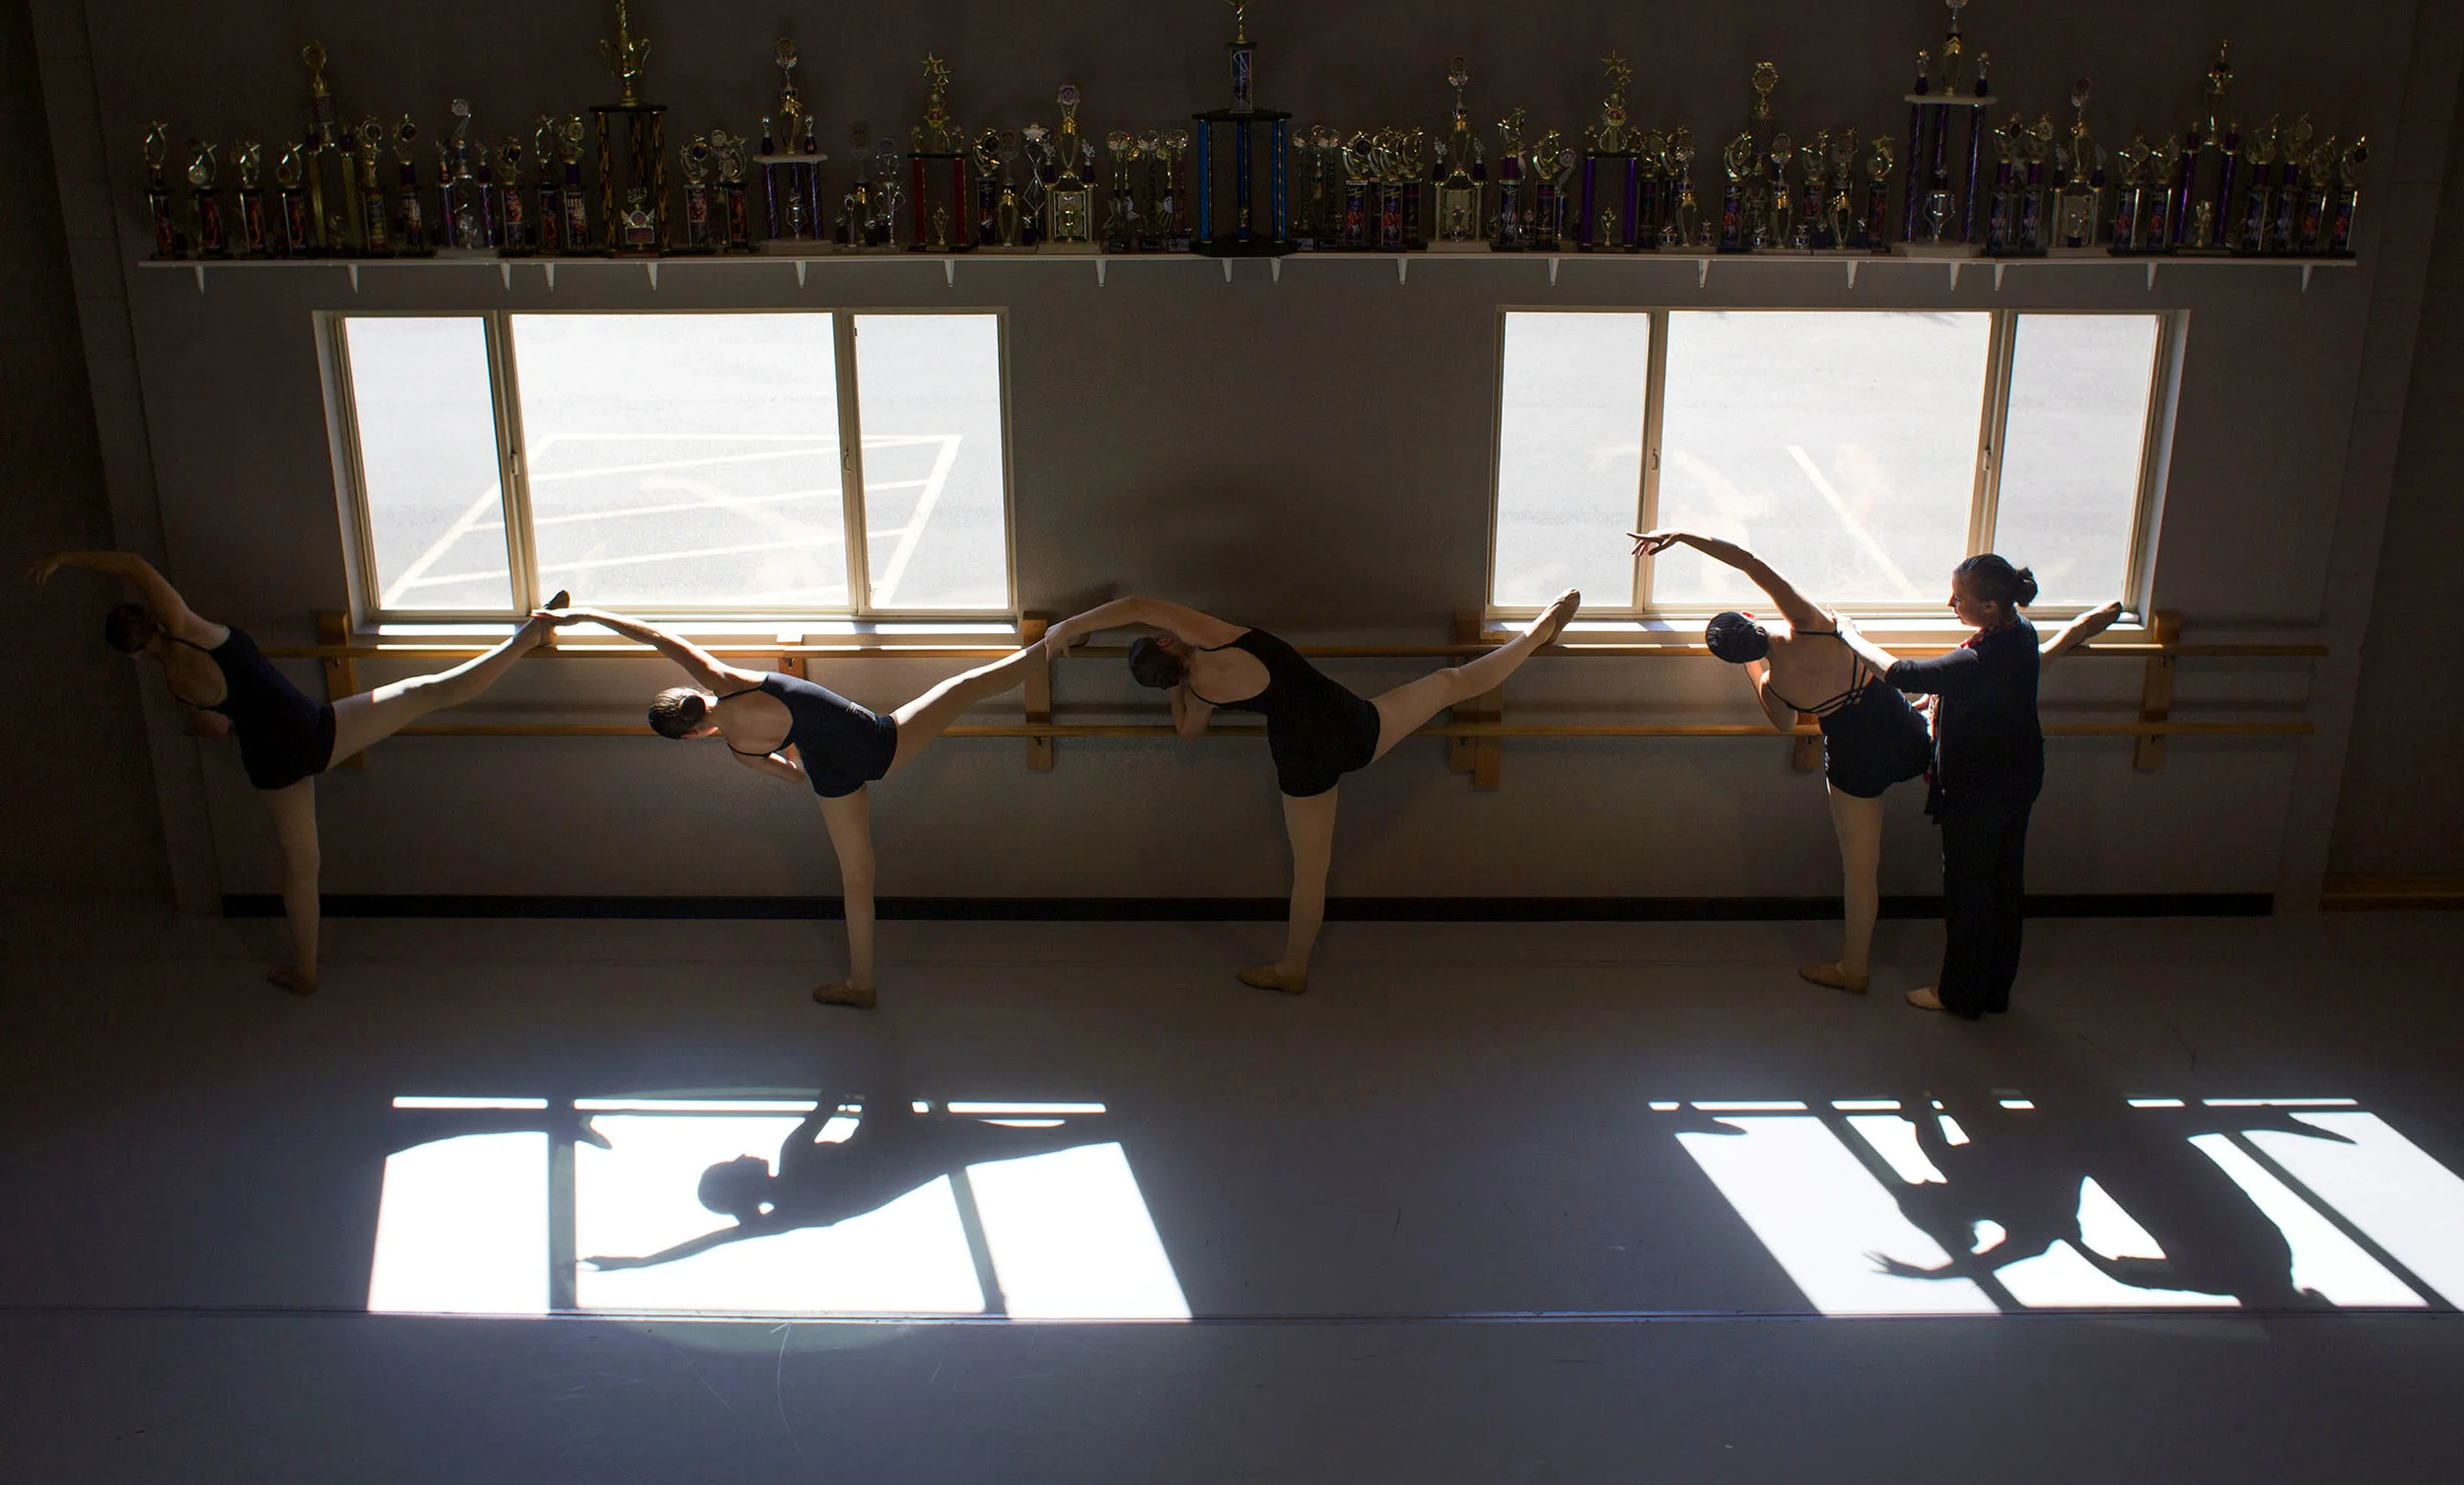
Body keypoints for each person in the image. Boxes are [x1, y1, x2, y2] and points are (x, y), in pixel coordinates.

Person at [32, 549, 559, 994]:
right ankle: (532, 636)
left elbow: (221, 729)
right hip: (315, 733)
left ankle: (304, 972)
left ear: (129, 655)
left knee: (302, 866)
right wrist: (64, 560)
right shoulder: (190, 628)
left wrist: (198, 726)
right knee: (428, 691)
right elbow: (131, 564)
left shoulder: (174, 681)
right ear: (147, 619)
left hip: (273, 764)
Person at [1634, 531, 2120, 998]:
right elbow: (1749, 561)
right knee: (2006, 676)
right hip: (1905, 735)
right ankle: (2073, 633)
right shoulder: (1812, 623)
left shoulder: (1776, 685)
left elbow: (1783, 723)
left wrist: (1753, 667)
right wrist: (1685, 536)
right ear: (1754, 616)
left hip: (1854, 765)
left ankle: (1853, 968)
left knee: (1860, 871)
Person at [1043, 587, 1582, 994]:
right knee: (1448, 684)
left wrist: (1178, 689)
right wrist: (1069, 625)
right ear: (1166, 640)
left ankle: (1292, 968)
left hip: (1302, 762)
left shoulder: (1202, 691)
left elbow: (1186, 733)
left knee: (1311, 869)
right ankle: (1534, 636)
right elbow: (1138, 603)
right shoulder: (1220, 636)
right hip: (1355, 729)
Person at [537, 603, 1045, 1008]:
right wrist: (581, 617)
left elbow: (796, 775)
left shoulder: (742, 752)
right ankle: (1058, 642)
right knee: (963, 687)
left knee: (857, 879)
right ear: (691, 693)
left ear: (692, 736)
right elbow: (651, 634)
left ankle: (861, 983)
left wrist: (794, 740)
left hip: (835, 779)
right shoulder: (725, 678)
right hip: (878, 744)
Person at [1831, 553, 2118, 1018]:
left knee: (1968, 894)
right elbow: (2008, 677)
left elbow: (1901, 673)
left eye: (1959, 598)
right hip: (2020, 776)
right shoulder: (2018, 633)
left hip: (1979, 789)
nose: (1950, 602)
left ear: (1989, 606)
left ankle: (1959, 995)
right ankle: (1994, 990)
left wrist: (1847, 633)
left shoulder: (1979, 657)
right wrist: (2087, 625)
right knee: (2004, 887)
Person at [583, 1094, 1108, 1274]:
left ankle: (1114, 1127)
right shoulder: (792, 1162)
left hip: (920, 1148)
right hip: (921, 1143)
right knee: (1044, 1138)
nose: (742, 1152)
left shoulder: (783, 1215)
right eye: (733, 1161)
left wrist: (640, 1263)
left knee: (1047, 1139)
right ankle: (1120, 1125)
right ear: (740, 1179)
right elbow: (832, 1092)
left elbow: (706, 1244)